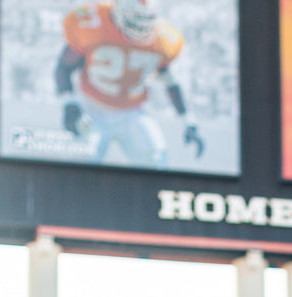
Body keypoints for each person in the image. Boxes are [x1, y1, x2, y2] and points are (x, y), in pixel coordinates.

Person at [55, 0, 204, 170]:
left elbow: (169, 81)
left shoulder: (163, 37)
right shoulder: (93, 22)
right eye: (135, 19)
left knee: (157, 162)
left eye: (145, 21)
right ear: (118, 11)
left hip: (132, 112)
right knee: (79, 165)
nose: (140, 30)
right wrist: (70, 104)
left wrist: (188, 121)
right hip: (92, 107)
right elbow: (64, 67)